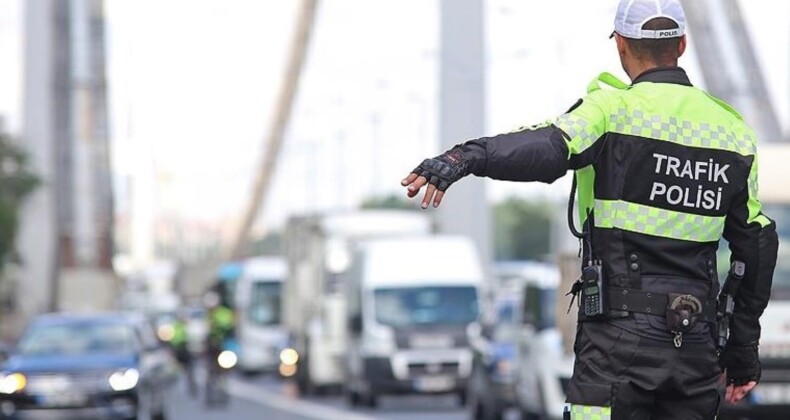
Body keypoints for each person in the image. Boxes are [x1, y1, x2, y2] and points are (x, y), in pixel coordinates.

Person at [401, 1, 778, 418]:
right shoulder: (733, 133)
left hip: (617, 344)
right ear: (683, 45)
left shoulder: (610, 111)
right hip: (695, 345)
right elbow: (757, 246)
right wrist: (742, 349)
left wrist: (463, 158)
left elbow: (544, 148)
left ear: (621, 45)